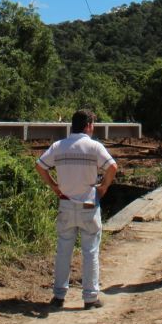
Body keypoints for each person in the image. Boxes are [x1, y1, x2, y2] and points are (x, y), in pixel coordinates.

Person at [35, 109, 117, 310]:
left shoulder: (58, 146)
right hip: (88, 203)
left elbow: (40, 166)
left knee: (64, 250)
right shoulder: (94, 146)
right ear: (88, 125)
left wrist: (54, 185)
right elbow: (112, 167)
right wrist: (103, 187)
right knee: (90, 251)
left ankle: (59, 295)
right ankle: (90, 298)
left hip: (65, 203)